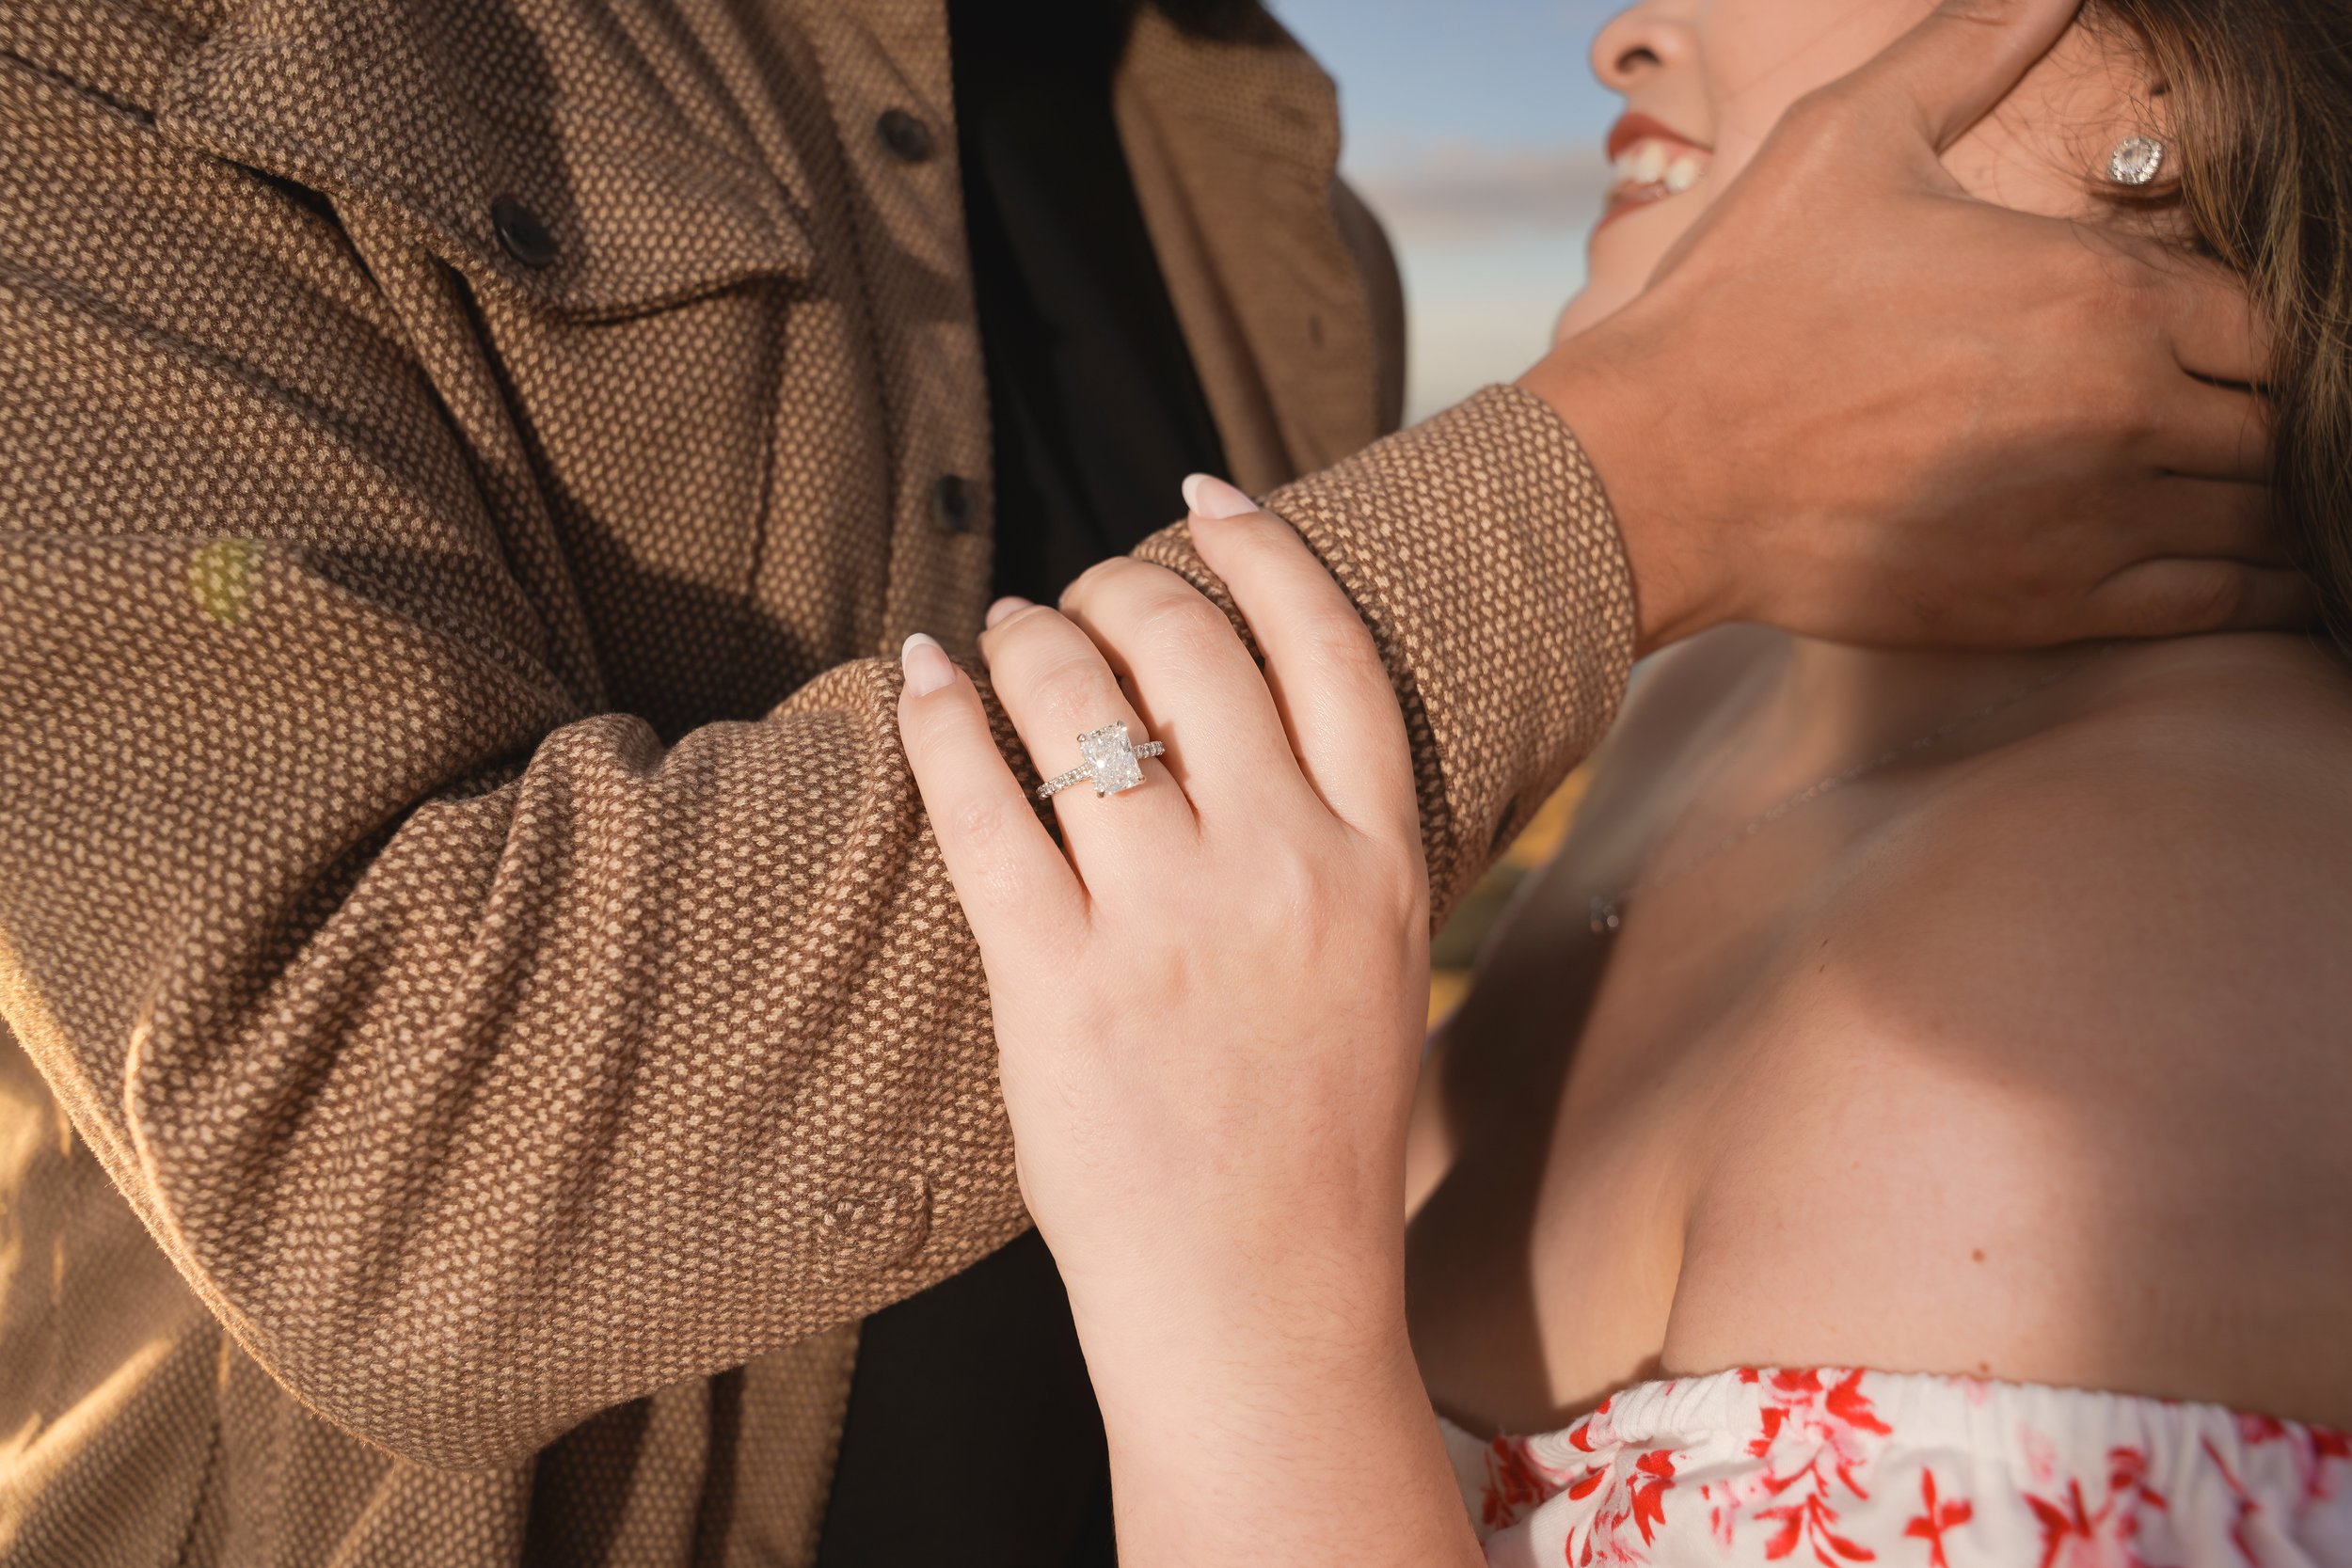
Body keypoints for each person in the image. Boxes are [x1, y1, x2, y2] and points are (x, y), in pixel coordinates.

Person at [0, 0, 2296, 1563]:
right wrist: (1627, 488)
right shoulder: (113, 60)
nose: (1609, 24)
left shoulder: (1227, 148)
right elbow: (387, 1145)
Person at [900, 0, 2352, 1562]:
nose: (1623, 34)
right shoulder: (1719, 700)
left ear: (2184, 85)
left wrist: (1229, 1304)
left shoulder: (2119, 1004)